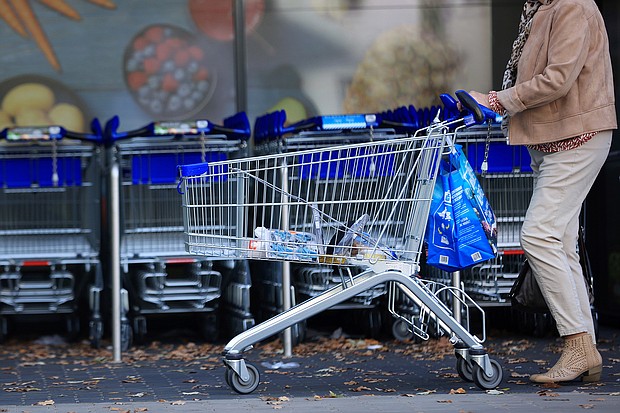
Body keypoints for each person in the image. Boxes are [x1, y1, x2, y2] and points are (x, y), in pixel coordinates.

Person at [468, 0, 616, 384]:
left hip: (575, 138)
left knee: (538, 234)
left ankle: (578, 345)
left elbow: (558, 78)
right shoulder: (543, 7)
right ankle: (587, 350)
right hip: (554, 139)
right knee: (561, 241)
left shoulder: (572, 7)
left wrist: (498, 100)